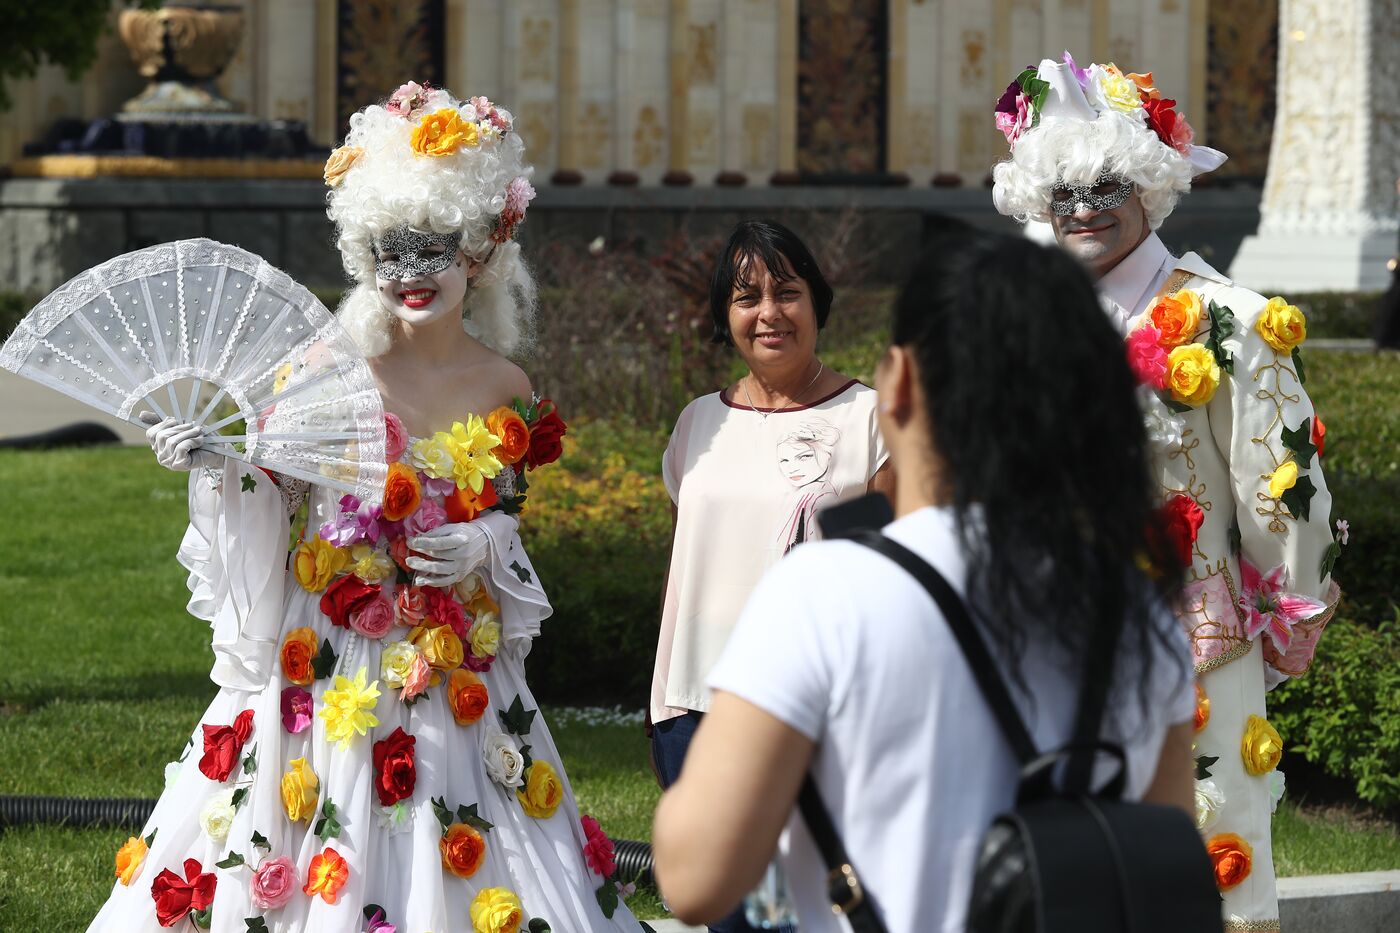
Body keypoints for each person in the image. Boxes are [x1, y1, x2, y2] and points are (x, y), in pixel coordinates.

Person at [90, 83, 643, 932]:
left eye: (433, 246)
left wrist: (483, 540)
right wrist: (209, 464)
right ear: (361, 248)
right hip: (330, 650)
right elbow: (268, 490)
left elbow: (510, 509)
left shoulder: (507, 385)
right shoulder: (323, 368)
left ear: (481, 249)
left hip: (456, 654)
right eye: (389, 247)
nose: (411, 272)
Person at [651, 231, 1197, 932]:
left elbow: (694, 877)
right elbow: (1162, 864)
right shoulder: (1137, 613)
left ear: (899, 383)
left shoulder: (824, 594)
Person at [991, 56, 1341, 932]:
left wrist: (1283, 617)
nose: (1082, 209)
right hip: (1046, 639)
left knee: (1205, 856)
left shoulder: (1230, 320)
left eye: (1106, 184)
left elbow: (1283, 496)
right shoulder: (1023, 322)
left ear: (1152, 186)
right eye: (1062, 191)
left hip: (1194, 646)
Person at [649, 219, 893, 932]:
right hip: (692, 704)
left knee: (800, 912)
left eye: (787, 293)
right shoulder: (699, 424)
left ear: (818, 303)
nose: (768, 314)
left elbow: (887, 575)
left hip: (810, 710)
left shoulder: (868, 418)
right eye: (746, 296)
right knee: (726, 909)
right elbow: (687, 557)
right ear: (725, 315)